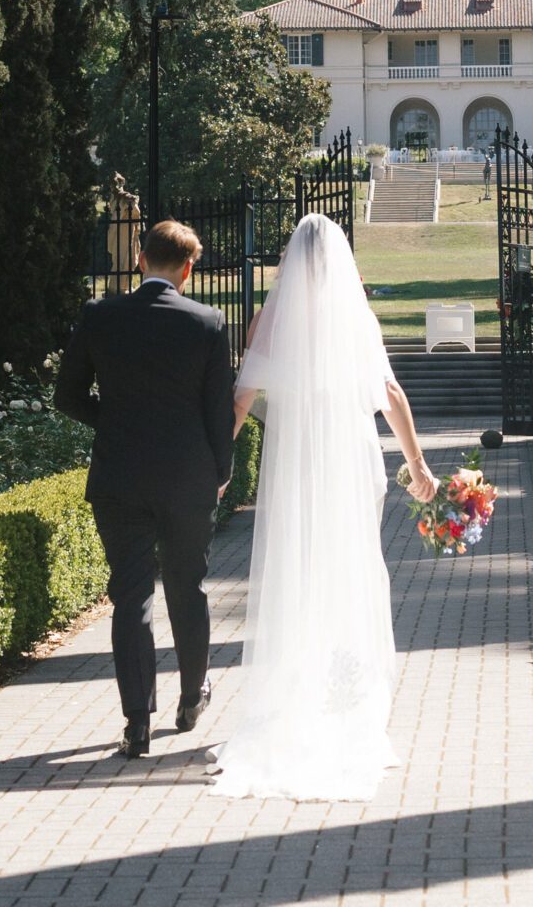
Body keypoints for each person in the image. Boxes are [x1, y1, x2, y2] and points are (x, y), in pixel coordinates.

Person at [209, 212, 437, 801]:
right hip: (348, 460)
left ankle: (296, 699)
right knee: (349, 569)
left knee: (296, 573)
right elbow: (390, 394)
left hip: (296, 464)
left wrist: (218, 465)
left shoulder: (268, 320)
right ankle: (347, 705)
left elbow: (241, 399)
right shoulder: (356, 318)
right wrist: (417, 464)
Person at [55, 217, 233, 759]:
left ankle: (136, 722)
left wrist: (113, 422)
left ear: (140, 260)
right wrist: (221, 472)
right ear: (188, 269)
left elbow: (66, 396)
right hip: (187, 479)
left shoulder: (100, 316)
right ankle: (191, 697)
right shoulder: (207, 322)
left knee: (130, 596)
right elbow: (218, 411)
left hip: (120, 477)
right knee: (187, 587)